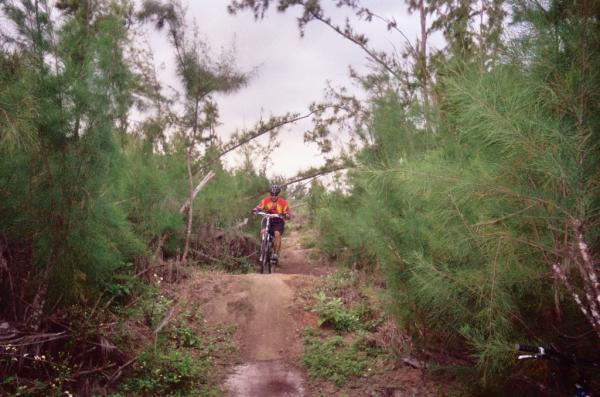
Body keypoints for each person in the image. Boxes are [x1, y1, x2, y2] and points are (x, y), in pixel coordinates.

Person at [252, 185, 291, 263]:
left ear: (278, 195)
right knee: (263, 232)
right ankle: (262, 250)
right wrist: (255, 209)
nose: (273, 196)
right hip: (267, 218)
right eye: (272, 194)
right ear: (270, 194)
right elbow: (259, 207)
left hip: (278, 220)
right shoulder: (266, 200)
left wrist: (286, 215)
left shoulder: (283, 202)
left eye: (275, 194)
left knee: (277, 234)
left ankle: (276, 254)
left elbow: (287, 213)